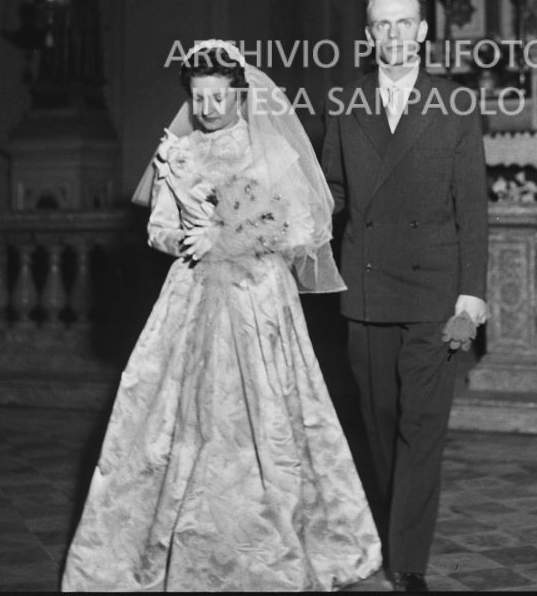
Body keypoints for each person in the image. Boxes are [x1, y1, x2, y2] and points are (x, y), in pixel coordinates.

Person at [61, 40, 382, 592]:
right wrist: (188, 235)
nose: (208, 107)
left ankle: (276, 545)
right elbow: (157, 228)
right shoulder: (179, 151)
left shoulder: (270, 149)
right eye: (199, 96)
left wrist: (230, 235)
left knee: (266, 413)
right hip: (191, 294)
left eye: (218, 95)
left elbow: (304, 227)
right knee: (176, 414)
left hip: (259, 297)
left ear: (239, 92)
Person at [321, 0, 489, 593]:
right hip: (365, 290)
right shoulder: (346, 103)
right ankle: (394, 527)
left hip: (436, 293)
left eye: (404, 24)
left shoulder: (456, 102)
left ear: (422, 32)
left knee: (422, 424)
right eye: (380, 25)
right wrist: (280, 223)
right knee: (378, 418)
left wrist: (471, 297)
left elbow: (472, 206)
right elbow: (332, 192)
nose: (392, 35)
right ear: (369, 35)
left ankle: (408, 560)